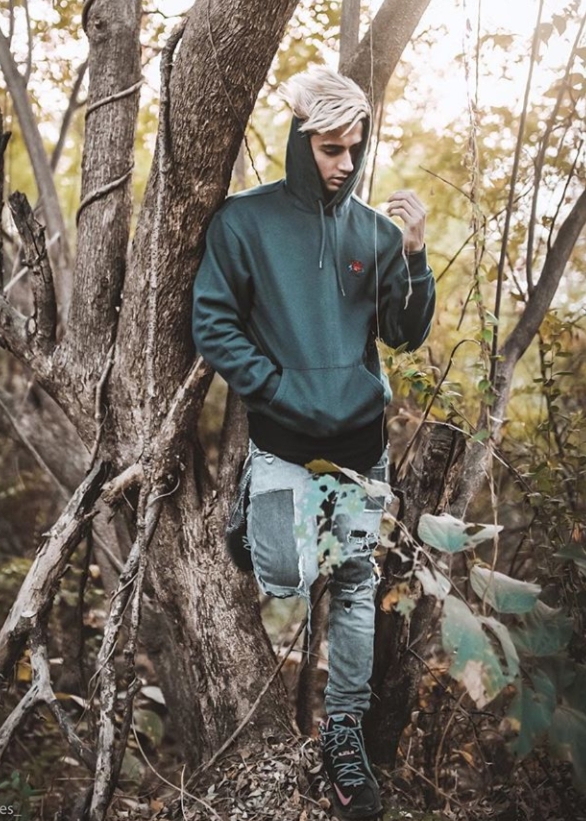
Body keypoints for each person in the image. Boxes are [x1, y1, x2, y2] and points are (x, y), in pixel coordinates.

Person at [192, 66, 435, 820]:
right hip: (282, 440)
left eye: (354, 148)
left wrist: (414, 254)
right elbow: (213, 325)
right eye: (331, 149)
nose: (345, 163)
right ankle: (252, 513)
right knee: (283, 573)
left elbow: (403, 334)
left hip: (362, 448)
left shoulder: (373, 232)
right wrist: (280, 389)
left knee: (355, 582)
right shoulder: (244, 223)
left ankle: (343, 734)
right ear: (301, 143)